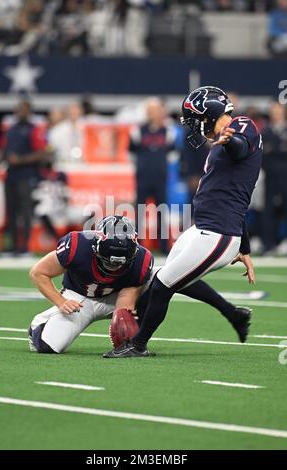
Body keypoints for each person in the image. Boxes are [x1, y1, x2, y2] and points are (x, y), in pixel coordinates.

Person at [104, 85, 262, 358]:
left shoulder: (242, 127)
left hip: (218, 233)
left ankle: (138, 344)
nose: (194, 126)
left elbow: (240, 147)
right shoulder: (222, 138)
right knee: (171, 277)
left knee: (163, 284)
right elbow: (239, 197)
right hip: (205, 228)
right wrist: (244, 248)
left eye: (196, 119)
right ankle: (233, 313)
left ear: (210, 114)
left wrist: (229, 140)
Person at [28, 215, 153, 353]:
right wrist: (61, 301)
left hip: (114, 296)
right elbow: (38, 272)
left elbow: (126, 299)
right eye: (108, 262)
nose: (114, 267)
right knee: (47, 345)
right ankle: (40, 323)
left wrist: (123, 322)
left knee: (157, 280)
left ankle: (137, 341)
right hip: (78, 299)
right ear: (96, 246)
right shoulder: (77, 246)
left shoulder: (142, 259)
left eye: (119, 263)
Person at [130, 97, 175, 254]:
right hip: (143, 177)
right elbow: (131, 152)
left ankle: (164, 248)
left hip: (160, 178)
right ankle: (136, 246)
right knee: (140, 213)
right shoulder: (137, 131)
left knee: (162, 212)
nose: (152, 113)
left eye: (155, 110)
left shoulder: (168, 131)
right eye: (150, 110)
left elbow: (172, 153)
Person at [3, 101, 50, 255]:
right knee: (11, 210)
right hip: (11, 175)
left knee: (25, 211)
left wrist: (20, 160)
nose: (20, 112)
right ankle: (13, 245)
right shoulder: (11, 129)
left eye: (23, 109)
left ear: (29, 111)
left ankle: (25, 246)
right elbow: (3, 148)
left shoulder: (34, 129)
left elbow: (42, 153)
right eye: (18, 109)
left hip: (27, 175)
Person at [262, 102, 287, 255]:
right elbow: (263, 156)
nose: (275, 114)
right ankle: (269, 244)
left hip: (285, 177)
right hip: (270, 177)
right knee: (269, 211)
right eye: (273, 111)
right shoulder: (266, 132)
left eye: (278, 111)